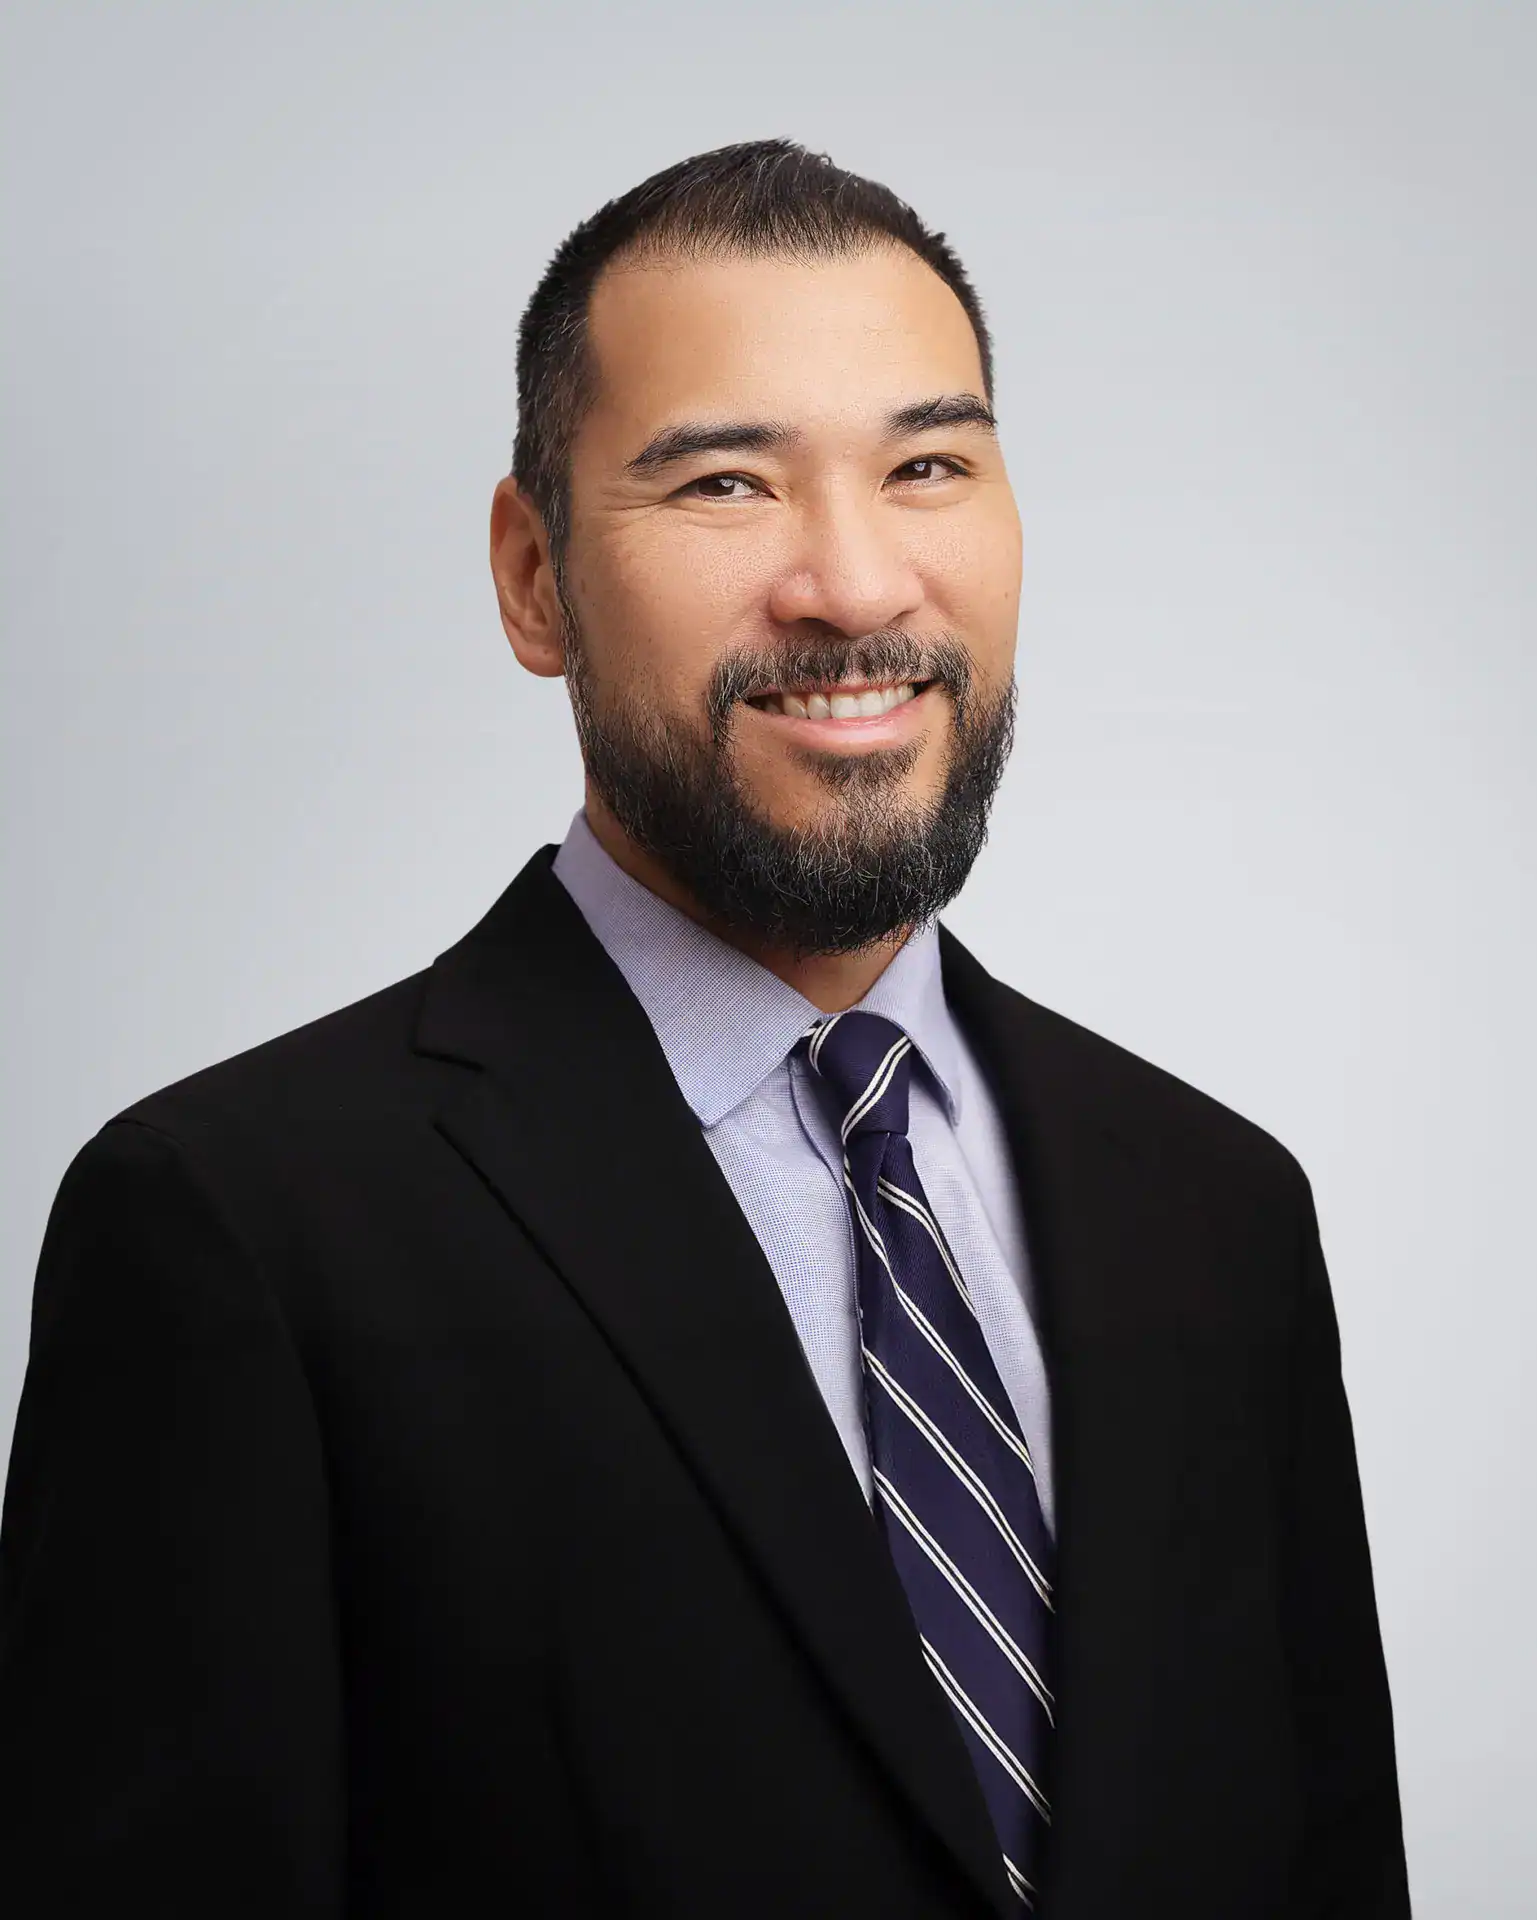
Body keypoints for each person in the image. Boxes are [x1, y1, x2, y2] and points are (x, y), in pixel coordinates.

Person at [0, 140, 1409, 1918]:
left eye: (926, 465)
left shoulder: (1221, 1208)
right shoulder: (236, 1234)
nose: (856, 586)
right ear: (532, 577)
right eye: (730, 483)